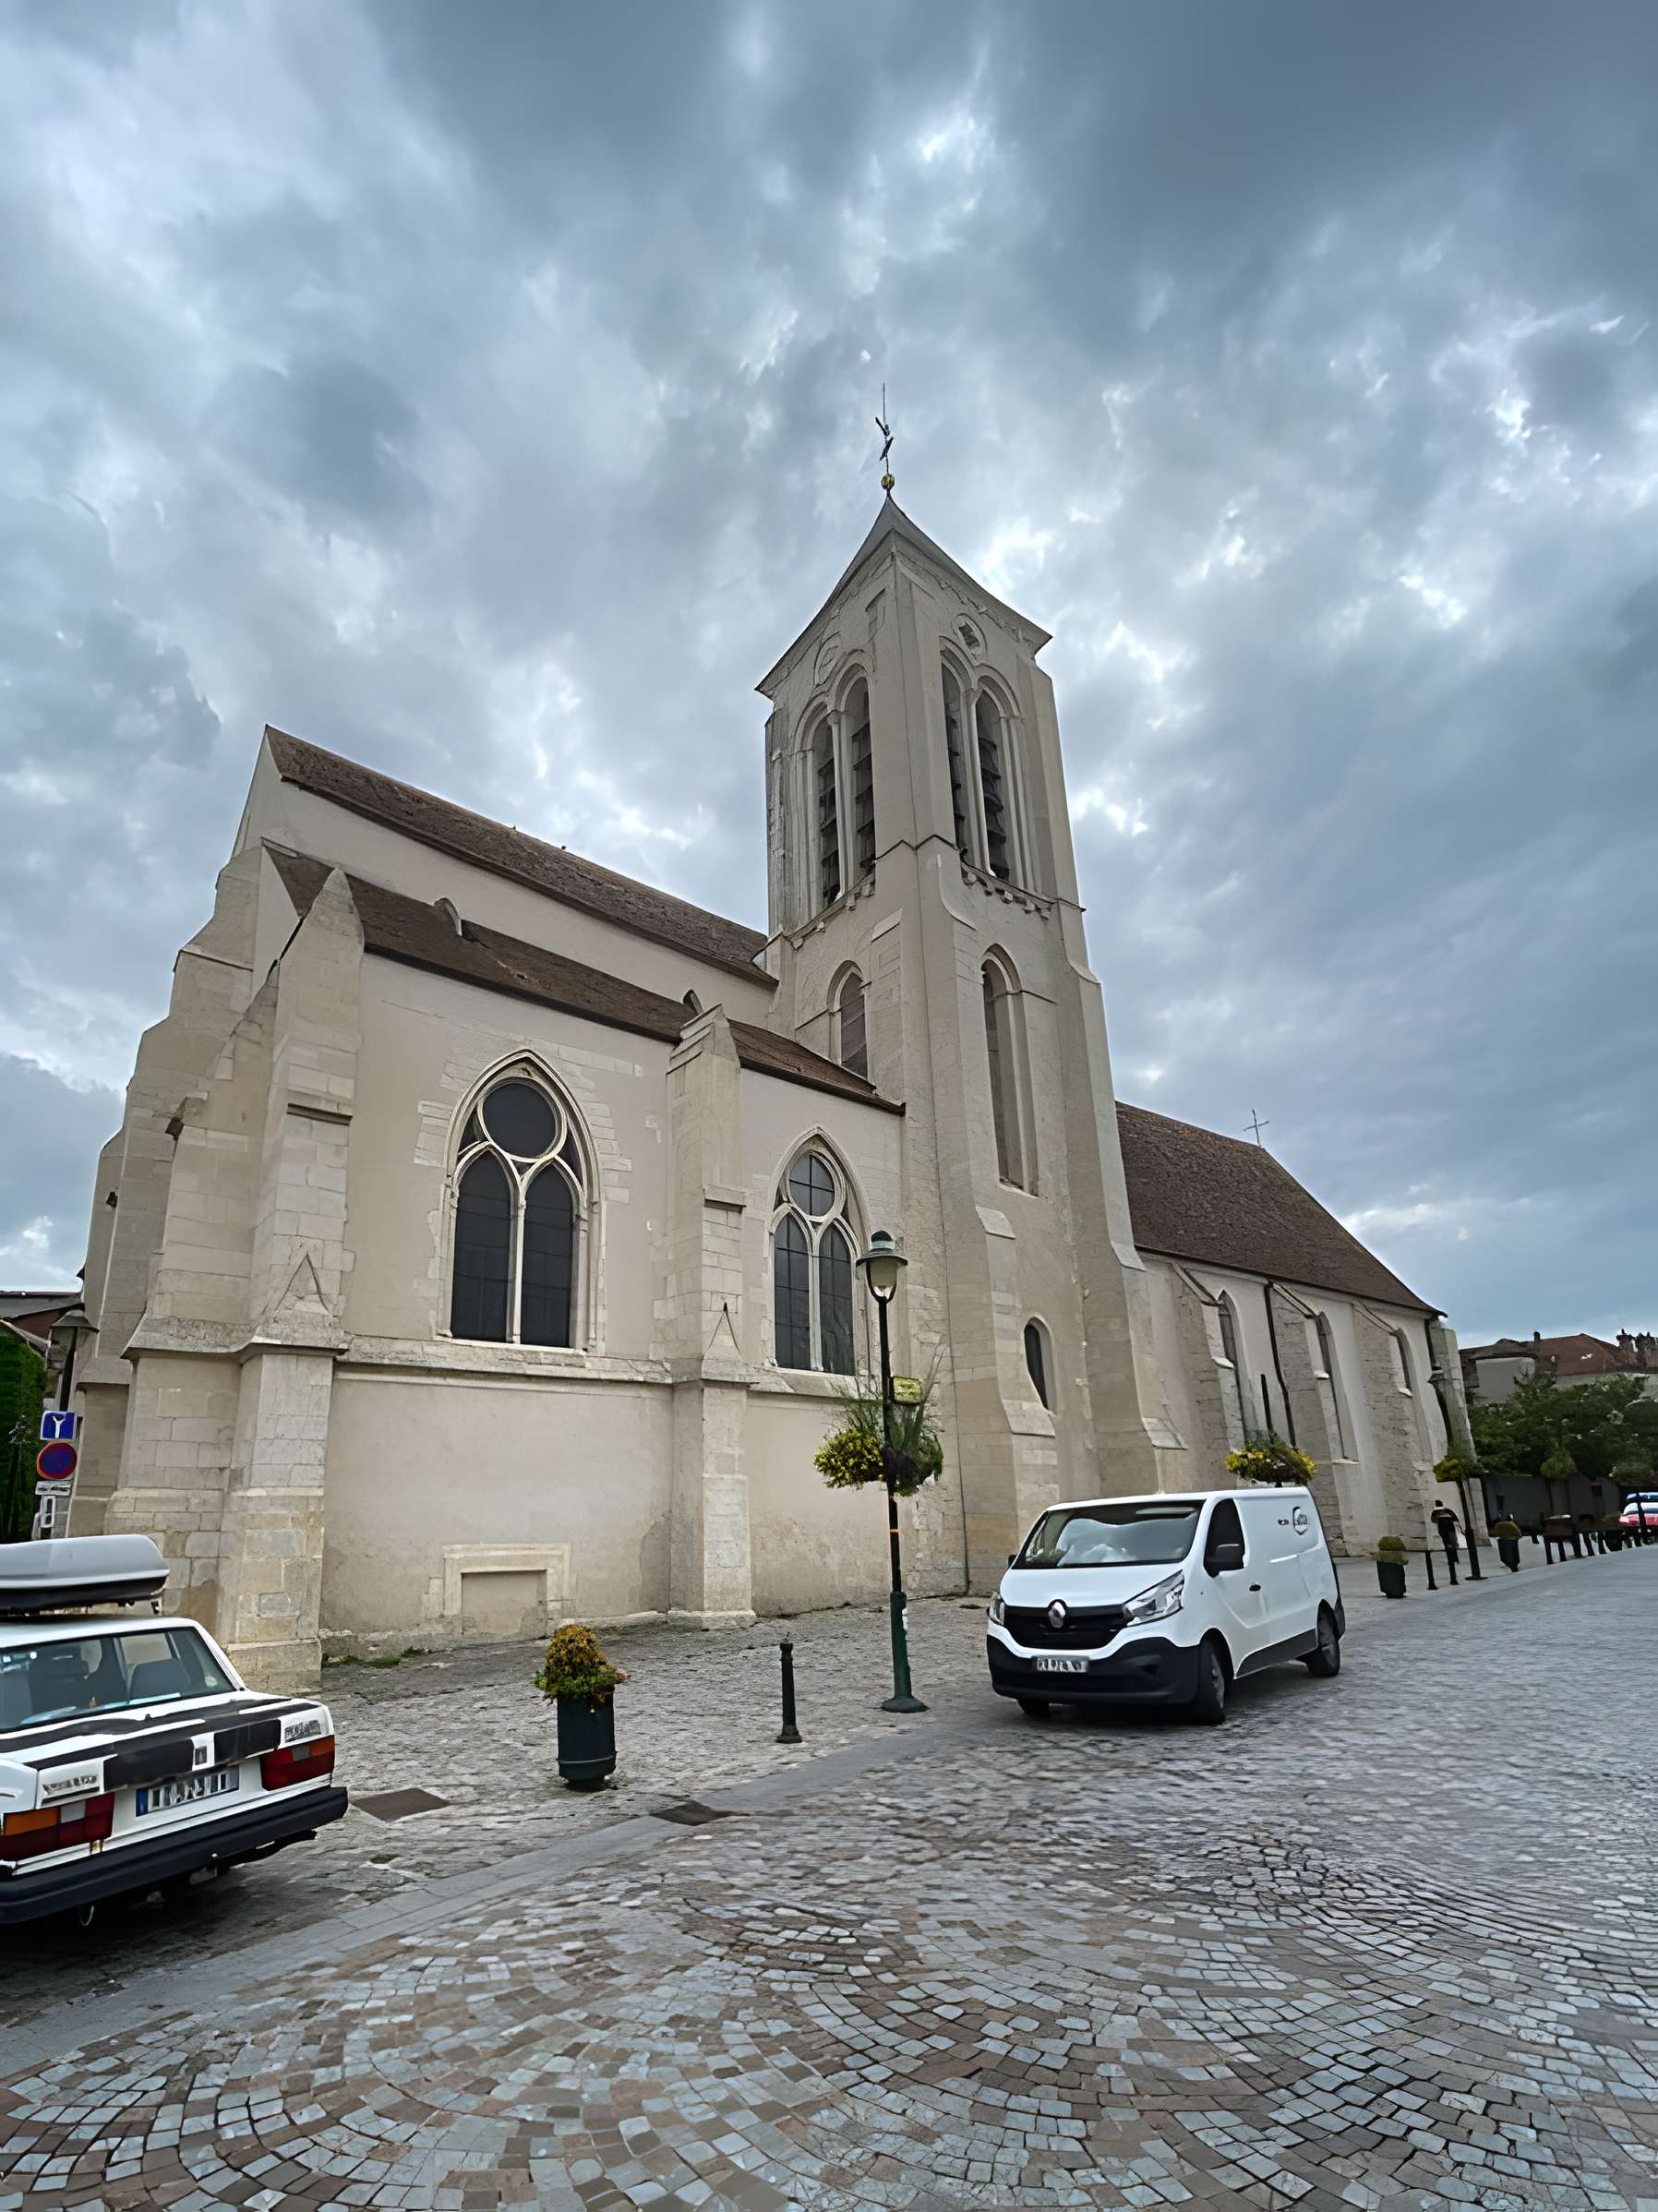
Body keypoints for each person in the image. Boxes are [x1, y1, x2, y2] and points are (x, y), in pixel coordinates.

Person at [1430, 1501, 1461, 1572]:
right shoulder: (1448, 1510)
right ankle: (1455, 1559)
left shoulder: (1435, 1512)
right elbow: (1455, 1518)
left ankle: (1451, 1560)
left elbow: (1433, 1520)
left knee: (1447, 1545)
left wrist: (1439, 1520)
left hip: (1443, 1530)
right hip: (1451, 1529)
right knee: (1453, 1544)